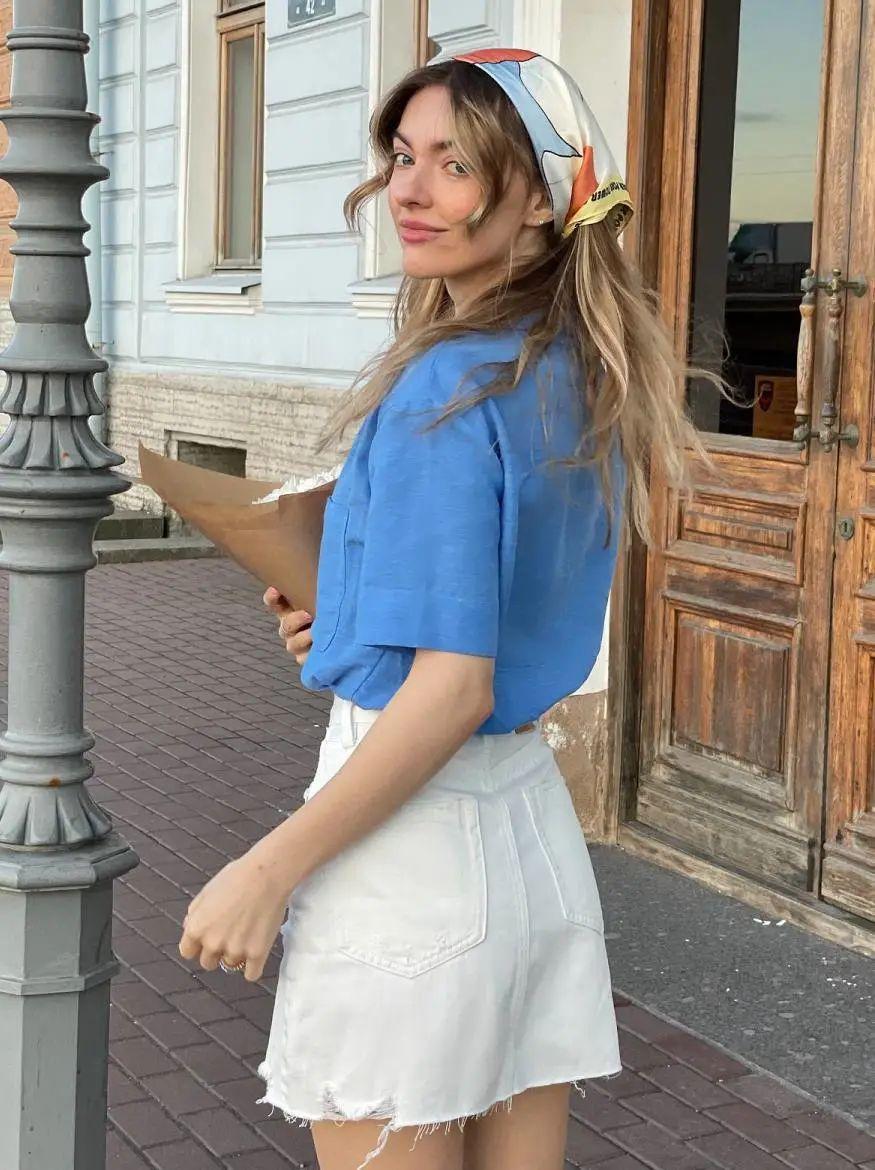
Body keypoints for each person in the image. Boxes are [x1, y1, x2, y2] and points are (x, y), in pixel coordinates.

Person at [178, 48, 710, 1170]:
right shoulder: (575, 368)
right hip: (526, 840)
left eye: (455, 165)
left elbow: (453, 687)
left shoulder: (446, 387)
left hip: (410, 858)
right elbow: (496, 620)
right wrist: (350, 621)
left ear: (538, 199)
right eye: (402, 156)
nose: (408, 191)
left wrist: (264, 870)